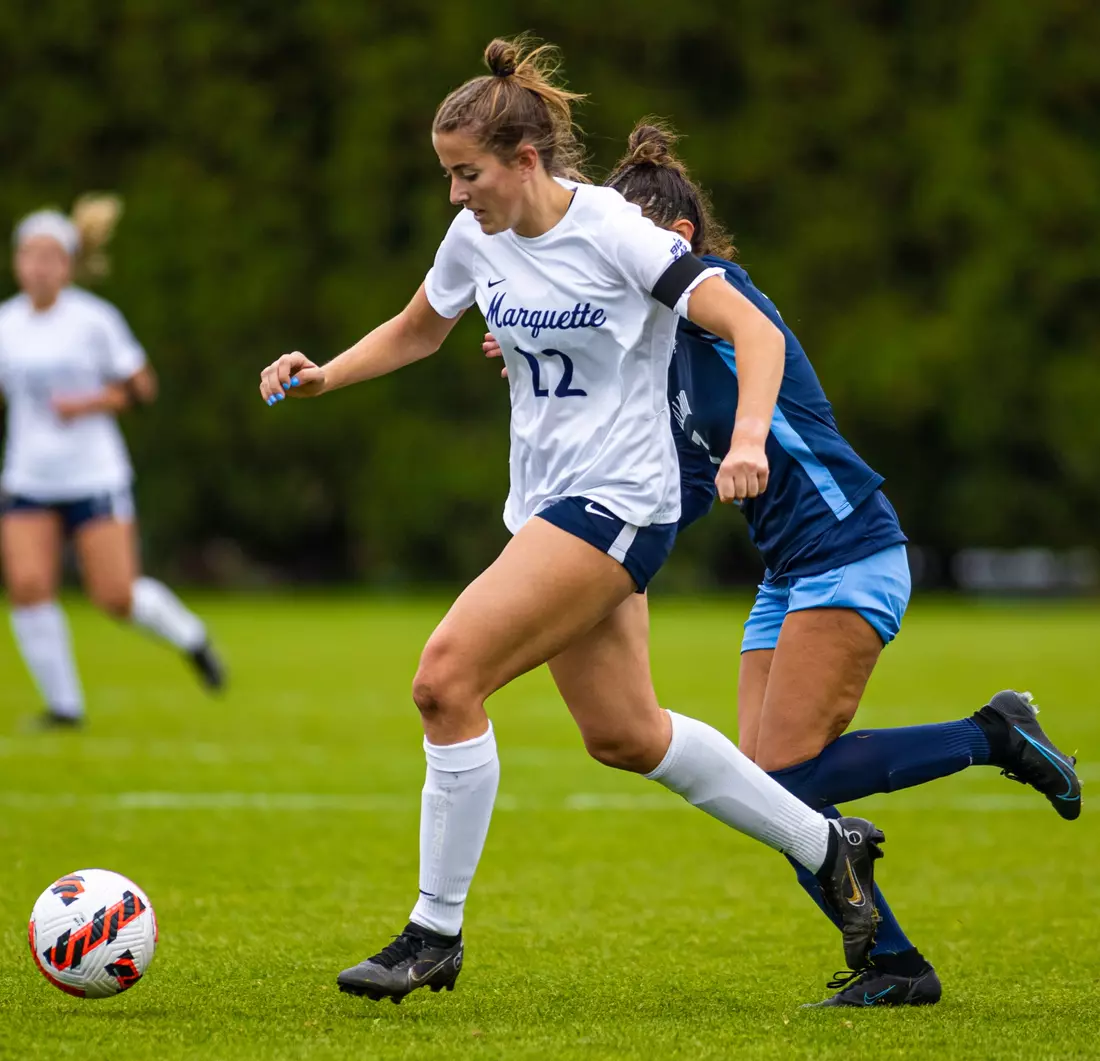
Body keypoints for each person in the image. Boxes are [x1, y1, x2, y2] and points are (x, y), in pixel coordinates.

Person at [259, 37, 891, 1005]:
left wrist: (748, 439)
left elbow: (752, 329)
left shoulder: (613, 231)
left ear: (525, 160)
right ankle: (825, 841)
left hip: (620, 502)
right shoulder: (478, 237)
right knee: (626, 735)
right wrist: (324, 373)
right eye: (445, 175)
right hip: (545, 507)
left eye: (465, 173)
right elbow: (420, 327)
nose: (453, 194)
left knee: (444, 678)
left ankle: (432, 930)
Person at [486, 121, 1081, 1007]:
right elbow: (668, 478)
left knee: (792, 776)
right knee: (772, 792)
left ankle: (993, 735)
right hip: (787, 574)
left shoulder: (724, 301)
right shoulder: (661, 355)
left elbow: (750, 354)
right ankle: (896, 966)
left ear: (673, 243)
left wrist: (753, 436)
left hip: (851, 550)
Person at [1, 196, 225, 729]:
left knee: (114, 596)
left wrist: (89, 402)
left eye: (51, 256)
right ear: (16, 262)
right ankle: (64, 707)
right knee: (29, 586)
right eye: (30, 255)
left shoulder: (94, 320)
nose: (39, 266)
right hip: (27, 475)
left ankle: (190, 638)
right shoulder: (6, 322)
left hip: (93, 474)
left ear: (69, 264)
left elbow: (141, 386)